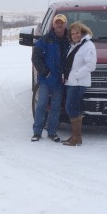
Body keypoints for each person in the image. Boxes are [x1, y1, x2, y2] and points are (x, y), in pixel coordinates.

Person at [31, 13, 70, 142]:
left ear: (65, 24)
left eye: (61, 22)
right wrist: (45, 72)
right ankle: (37, 131)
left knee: (56, 107)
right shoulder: (45, 40)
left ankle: (52, 132)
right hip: (46, 81)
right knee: (41, 105)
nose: (59, 25)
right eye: (57, 22)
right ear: (53, 24)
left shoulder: (69, 40)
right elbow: (35, 57)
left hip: (60, 81)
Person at [63, 22, 97, 146]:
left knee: (72, 108)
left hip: (78, 83)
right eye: (73, 33)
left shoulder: (88, 45)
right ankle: (75, 136)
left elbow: (91, 65)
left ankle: (77, 137)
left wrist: (76, 75)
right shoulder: (74, 45)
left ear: (82, 32)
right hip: (71, 82)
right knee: (72, 108)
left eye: (77, 33)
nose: (75, 35)